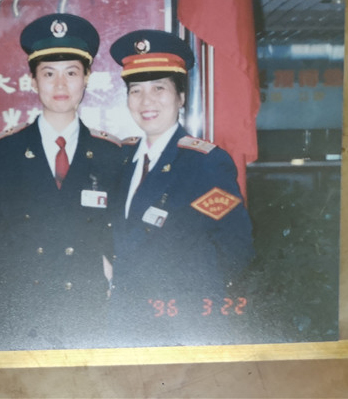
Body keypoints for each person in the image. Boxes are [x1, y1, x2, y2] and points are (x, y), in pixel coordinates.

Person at [0, 13, 124, 351]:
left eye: (71, 73)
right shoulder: (4, 151)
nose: (60, 85)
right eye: (48, 74)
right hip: (22, 313)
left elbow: (116, 233)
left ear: (86, 78)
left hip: (87, 312)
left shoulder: (109, 153)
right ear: (32, 81)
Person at [106, 29, 255, 346]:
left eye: (159, 88)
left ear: (181, 97)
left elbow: (235, 249)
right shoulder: (121, 160)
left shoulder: (205, 163)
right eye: (136, 90)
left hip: (183, 328)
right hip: (123, 324)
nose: (146, 101)